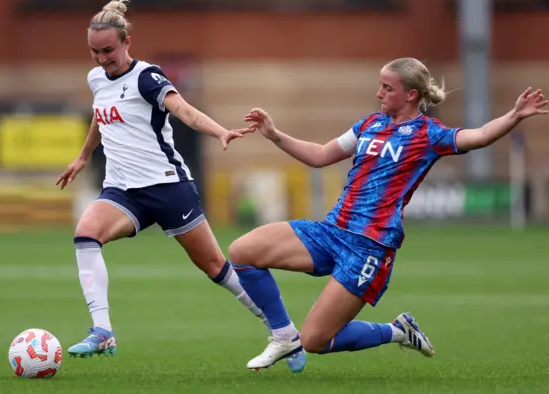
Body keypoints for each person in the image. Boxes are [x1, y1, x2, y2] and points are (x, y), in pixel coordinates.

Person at [228, 57, 548, 370]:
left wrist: (515, 116)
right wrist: (274, 135)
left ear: (411, 95)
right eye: (379, 86)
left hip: (369, 248)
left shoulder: (428, 134)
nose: (379, 93)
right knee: (243, 250)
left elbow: (477, 137)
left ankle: (397, 331)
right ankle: (284, 335)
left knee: (315, 340)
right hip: (331, 231)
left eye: (387, 88)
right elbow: (322, 154)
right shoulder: (369, 124)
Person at [54, 0, 307, 370]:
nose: (102, 59)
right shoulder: (96, 79)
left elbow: (184, 110)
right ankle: (102, 330)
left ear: (127, 42)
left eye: (108, 50)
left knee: (216, 268)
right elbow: (99, 117)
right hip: (123, 191)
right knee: (86, 234)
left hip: (167, 188)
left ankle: (284, 333)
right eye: (94, 52)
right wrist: (82, 156)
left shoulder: (147, 77)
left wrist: (219, 131)